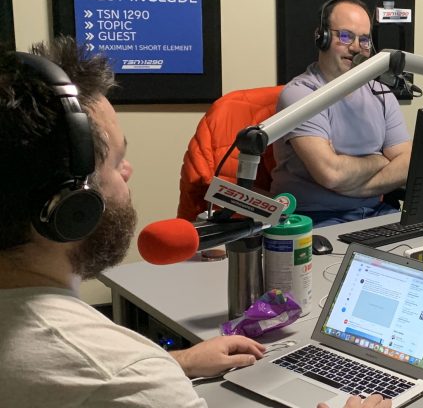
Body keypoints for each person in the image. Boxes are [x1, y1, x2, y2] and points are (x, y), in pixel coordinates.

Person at [0, 38, 389, 408]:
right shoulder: (123, 375)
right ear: (72, 206)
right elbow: (113, 376)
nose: (129, 171)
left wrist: (175, 362)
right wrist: (146, 373)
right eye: (117, 163)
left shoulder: (106, 370)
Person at [270, 0, 411, 226]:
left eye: (364, 40)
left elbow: (407, 162)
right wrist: (380, 160)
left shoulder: (382, 94)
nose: (355, 47)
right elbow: (331, 174)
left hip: (375, 212)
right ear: (322, 37)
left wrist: (357, 189)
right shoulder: (301, 95)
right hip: (312, 219)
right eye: (345, 36)